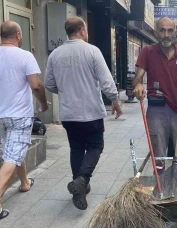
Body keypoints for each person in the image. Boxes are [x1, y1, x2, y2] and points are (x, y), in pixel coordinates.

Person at [44, 16, 122, 210]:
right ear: (81, 29)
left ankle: (79, 187)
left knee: (77, 148)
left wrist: (65, 91)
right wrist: (115, 100)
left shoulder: (55, 54)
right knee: (96, 146)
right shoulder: (92, 51)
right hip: (91, 112)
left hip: (69, 114)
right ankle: (82, 179)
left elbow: (49, 83)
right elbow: (106, 81)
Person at [132, 16, 177, 174]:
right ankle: (159, 183)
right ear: (156, 32)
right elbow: (137, 78)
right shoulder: (148, 52)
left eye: (170, 30)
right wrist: (138, 84)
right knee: (158, 153)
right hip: (157, 108)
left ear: (175, 32)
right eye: (162, 30)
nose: (166, 35)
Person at [0, 21, 49, 219]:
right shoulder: (25, 56)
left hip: (1, 116)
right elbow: (36, 85)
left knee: (12, 150)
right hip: (19, 116)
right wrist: (44, 105)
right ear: (19, 35)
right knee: (11, 157)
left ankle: (25, 182)